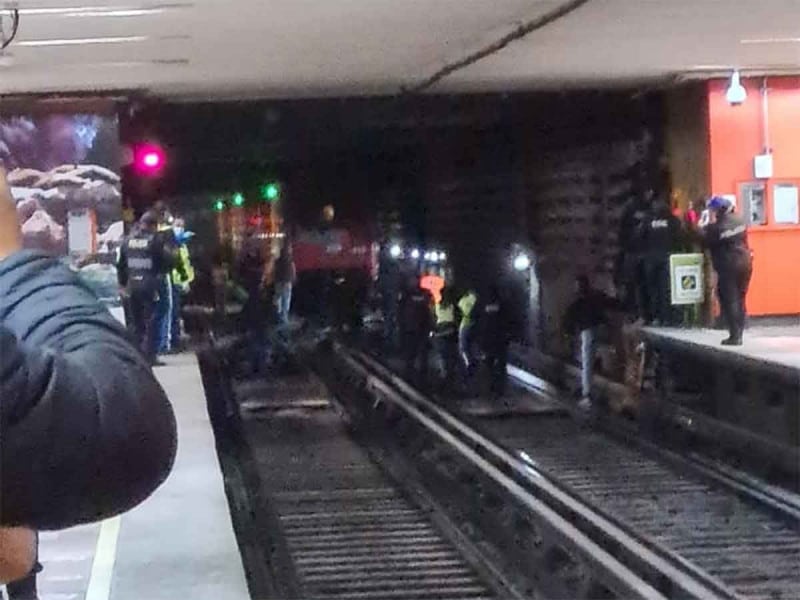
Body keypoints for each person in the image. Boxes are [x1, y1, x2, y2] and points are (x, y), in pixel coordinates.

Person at [0, 166, 176, 584]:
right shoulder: (158, 241)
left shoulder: (132, 242)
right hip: (146, 294)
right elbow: (123, 428)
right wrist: (8, 264)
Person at [118, 212, 177, 366]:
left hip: (132, 287)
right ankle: (150, 355)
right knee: (153, 320)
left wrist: (123, 285)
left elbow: (121, 265)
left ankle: (137, 356)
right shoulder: (155, 240)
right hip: (151, 286)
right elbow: (166, 262)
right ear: (153, 225)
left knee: (136, 323)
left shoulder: (127, 240)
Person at [563, 275, 624, 410]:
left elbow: (569, 321)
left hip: (588, 332)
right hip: (602, 329)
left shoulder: (578, 302)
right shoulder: (596, 296)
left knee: (587, 363)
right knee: (604, 357)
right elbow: (614, 303)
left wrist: (568, 334)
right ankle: (606, 386)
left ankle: (588, 393)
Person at [700, 196, 753, 345]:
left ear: (717, 210)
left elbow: (704, 241)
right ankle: (741, 329)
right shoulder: (740, 221)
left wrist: (704, 224)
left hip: (728, 265)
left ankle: (735, 336)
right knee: (741, 297)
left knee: (729, 298)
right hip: (745, 262)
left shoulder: (716, 227)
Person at [642, 195, 682, 325]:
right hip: (667, 257)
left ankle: (655, 317)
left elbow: (639, 236)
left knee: (653, 290)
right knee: (666, 289)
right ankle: (668, 318)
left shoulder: (647, 220)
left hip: (651, 258)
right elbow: (680, 235)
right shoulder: (672, 220)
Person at [616, 190, 652, 319]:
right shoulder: (632, 210)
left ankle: (641, 313)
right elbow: (622, 235)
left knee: (639, 284)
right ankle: (637, 312)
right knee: (634, 284)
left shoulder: (646, 209)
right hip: (635, 252)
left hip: (639, 252)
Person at [477, 285, 512, 400]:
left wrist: (480, 339)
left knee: (489, 365)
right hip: (500, 339)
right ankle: (501, 388)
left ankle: (490, 388)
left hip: (488, 340)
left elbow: (479, 321)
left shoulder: (483, 305)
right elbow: (508, 321)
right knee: (501, 365)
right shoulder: (503, 305)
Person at [398, 276, 434, 385]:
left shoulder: (422, 294)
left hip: (420, 328)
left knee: (421, 355)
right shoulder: (407, 294)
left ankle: (421, 377)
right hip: (412, 328)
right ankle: (410, 375)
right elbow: (401, 310)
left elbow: (429, 311)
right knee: (412, 354)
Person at [169, 218, 195, 352]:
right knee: (173, 313)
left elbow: (185, 263)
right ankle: (174, 341)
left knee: (177, 312)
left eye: (182, 225)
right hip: (173, 282)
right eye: (177, 225)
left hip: (181, 283)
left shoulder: (182, 244)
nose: (180, 227)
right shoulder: (172, 243)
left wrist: (187, 281)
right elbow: (176, 263)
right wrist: (183, 279)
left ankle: (177, 337)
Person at [432, 286, 460, 389]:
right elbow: (457, 319)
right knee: (451, 357)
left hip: (440, 330)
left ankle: (444, 378)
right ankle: (450, 380)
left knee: (442, 357)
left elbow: (434, 317)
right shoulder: (453, 306)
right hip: (451, 331)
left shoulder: (437, 305)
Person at [273, 240, 296, 326]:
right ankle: (284, 317)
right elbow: (292, 270)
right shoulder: (290, 260)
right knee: (286, 299)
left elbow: (275, 270)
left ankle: (277, 315)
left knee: (278, 298)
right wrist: (293, 278)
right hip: (287, 281)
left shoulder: (278, 260)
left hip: (279, 281)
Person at [457, 287, 478, 377]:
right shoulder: (477, 301)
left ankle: (468, 363)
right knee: (473, 344)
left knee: (463, 347)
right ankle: (474, 360)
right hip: (476, 325)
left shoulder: (463, 300)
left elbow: (460, 312)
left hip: (465, 324)